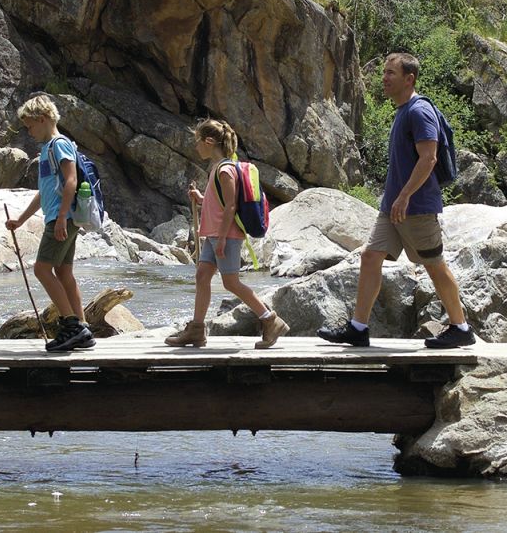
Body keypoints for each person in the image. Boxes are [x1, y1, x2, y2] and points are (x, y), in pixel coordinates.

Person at [316, 53, 475, 350]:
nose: (384, 78)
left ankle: (461, 327)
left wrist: (405, 195)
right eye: (384, 72)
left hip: (416, 207)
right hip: (393, 207)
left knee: (434, 265)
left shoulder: (419, 111)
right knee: (370, 256)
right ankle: (358, 328)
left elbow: (429, 158)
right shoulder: (402, 111)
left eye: (391, 73)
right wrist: (394, 199)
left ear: (409, 78)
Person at [164, 120, 290, 349]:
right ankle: (196, 330)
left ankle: (270, 320)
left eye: (197, 141)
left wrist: (222, 238)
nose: (196, 147)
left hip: (226, 236)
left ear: (209, 141)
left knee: (231, 282)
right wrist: (201, 198)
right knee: (202, 276)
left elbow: (231, 206)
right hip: (215, 235)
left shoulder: (225, 169)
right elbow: (220, 203)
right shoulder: (217, 168)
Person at [5, 95, 95, 352]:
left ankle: (71, 326)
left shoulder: (59, 145)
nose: (29, 131)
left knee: (42, 269)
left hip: (61, 218)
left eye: (30, 125)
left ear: (42, 120)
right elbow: (44, 192)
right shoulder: (48, 149)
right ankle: (83, 328)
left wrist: (63, 216)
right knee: (63, 272)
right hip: (60, 216)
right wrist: (20, 220)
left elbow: (71, 181)